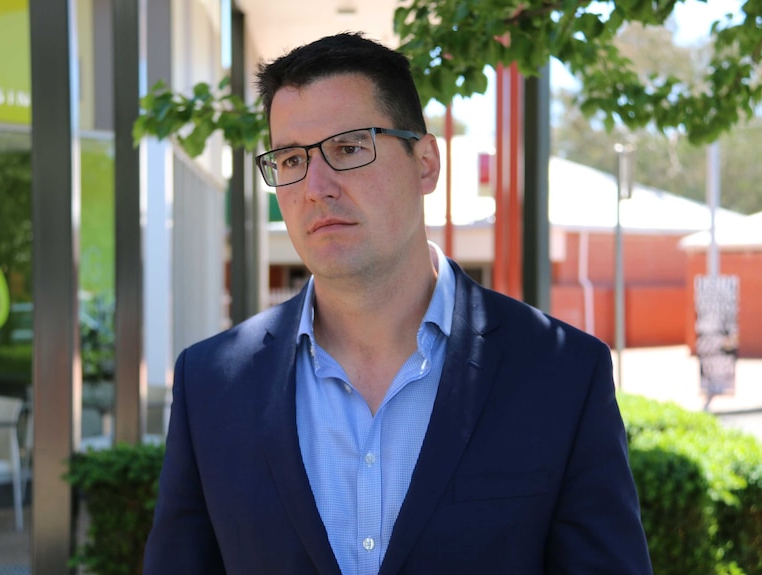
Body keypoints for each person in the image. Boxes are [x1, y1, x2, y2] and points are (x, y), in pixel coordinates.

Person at [143, 32, 652, 574]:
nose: (316, 186)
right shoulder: (211, 384)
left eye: (348, 148)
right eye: (290, 159)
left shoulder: (562, 374)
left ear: (426, 162)